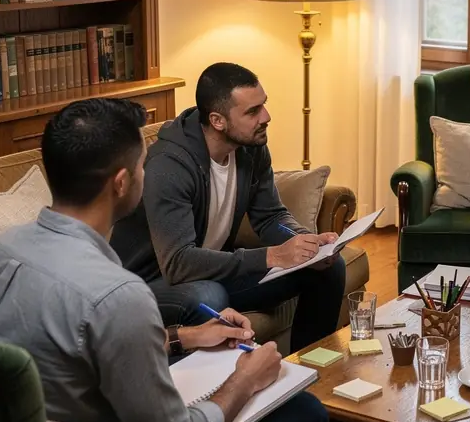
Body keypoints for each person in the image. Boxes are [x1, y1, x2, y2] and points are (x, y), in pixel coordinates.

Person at [0, 97, 330, 422]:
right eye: (143, 165)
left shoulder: (1, 253)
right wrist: (244, 381)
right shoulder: (119, 294)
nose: (147, 174)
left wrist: (186, 337)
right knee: (305, 413)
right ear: (122, 183)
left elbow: (72, 347)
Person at [110, 62, 346, 348]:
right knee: (209, 297)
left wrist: (305, 243)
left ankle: (309, 370)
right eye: (252, 111)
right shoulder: (169, 167)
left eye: (263, 105)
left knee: (325, 268)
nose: (266, 117)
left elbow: (270, 217)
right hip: (151, 284)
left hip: (211, 270)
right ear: (218, 120)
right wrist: (272, 257)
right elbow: (178, 263)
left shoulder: (251, 147)